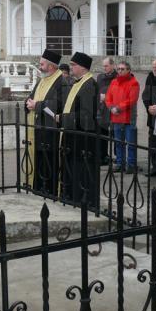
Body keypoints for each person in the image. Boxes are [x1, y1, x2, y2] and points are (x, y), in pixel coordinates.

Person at [26, 49, 70, 195]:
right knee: (38, 160)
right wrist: (28, 102)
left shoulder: (61, 81)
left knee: (48, 161)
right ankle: (37, 188)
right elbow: (32, 96)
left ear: (51, 66)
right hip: (38, 127)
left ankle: (49, 190)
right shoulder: (42, 79)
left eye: (42, 64)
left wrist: (36, 105)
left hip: (51, 130)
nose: (40, 67)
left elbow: (58, 103)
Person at [60, 52, 99, 207]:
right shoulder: (77, 82)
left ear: (82, 67)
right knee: (72, 169)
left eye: (73, 65)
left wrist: (63, 118)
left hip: (83, 137)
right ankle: (71, 196)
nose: (71, 67)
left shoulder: (89, 84)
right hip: (73, 135)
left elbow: (86, 115)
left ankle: (83, 200)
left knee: (82, 171)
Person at [105, 61, 140, 174]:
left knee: (130, 143)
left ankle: (131, 164)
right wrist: (111, 107)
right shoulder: (114, 82)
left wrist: (118, 108)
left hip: (129, 118)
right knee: (118, 143)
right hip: (116, 117)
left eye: (122, 69)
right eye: (119, 69)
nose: (120, 71)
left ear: (128, 70)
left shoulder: (134, 83)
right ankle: (120, 163)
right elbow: (108, 97)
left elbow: (131, 100)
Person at [96, 57, 117, 165]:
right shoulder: (100, 77)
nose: (104, 68)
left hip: (115, 109)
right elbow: (96, 91)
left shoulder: (118, 77)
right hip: (102, 110)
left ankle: (118, 158)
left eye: (106, 66)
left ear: (113, 65)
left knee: (115, 134)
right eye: (103, 66)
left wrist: (107, 97)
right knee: (102, 133)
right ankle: (102, 155)